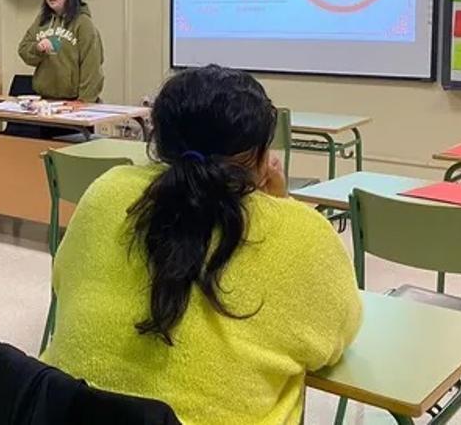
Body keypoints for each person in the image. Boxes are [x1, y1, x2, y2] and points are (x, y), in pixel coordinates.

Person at [42, 65, 362, 424]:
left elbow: (62, 281)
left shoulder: (107, 190)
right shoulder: (302, 233)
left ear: (159, 142)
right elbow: (337, 335)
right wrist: (281, 206)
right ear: (259, 155)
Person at [17, 0, 104, 103]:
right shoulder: (42, 21)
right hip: (45, 100)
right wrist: (37, 48)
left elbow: (92, 66)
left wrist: (84, 100)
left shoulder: (83, 22)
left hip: (75, 101)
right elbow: (23, 49)